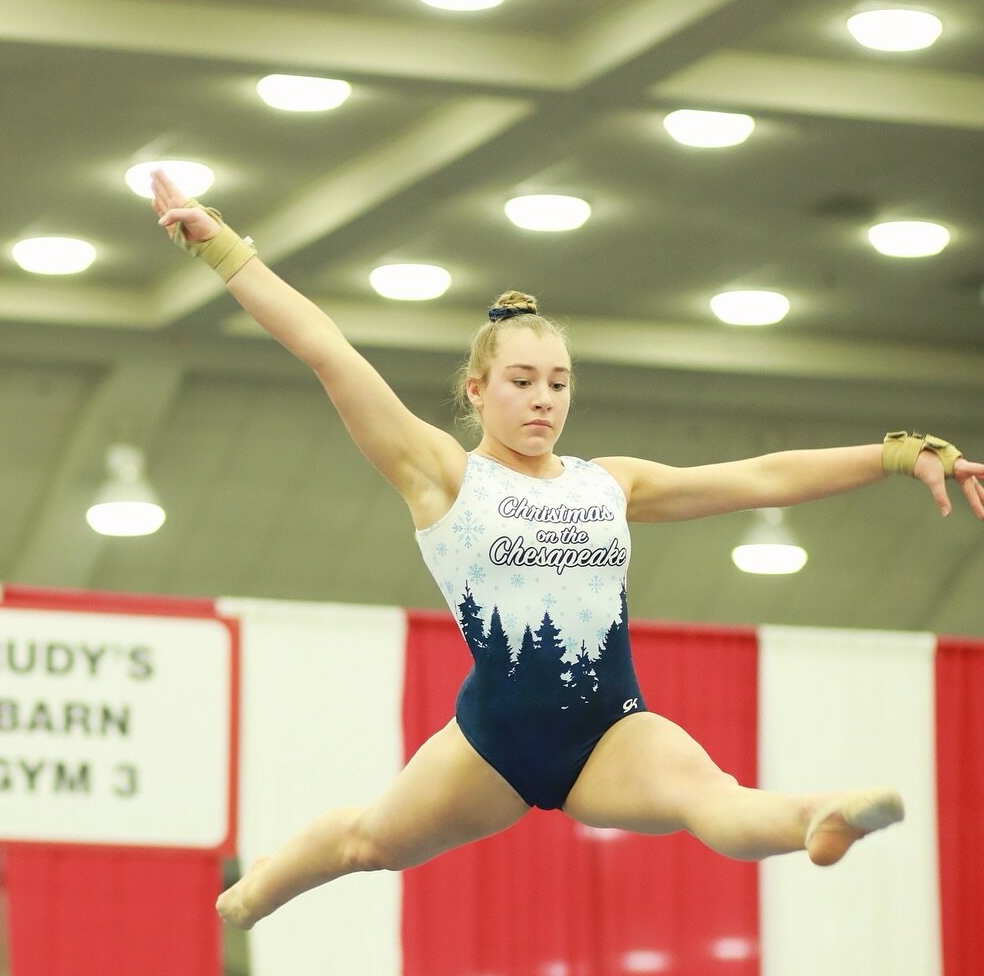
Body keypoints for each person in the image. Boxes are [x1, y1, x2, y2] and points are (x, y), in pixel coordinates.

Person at [148, 173, 984, 932]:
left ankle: (819, 816)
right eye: (521, 382)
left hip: (610, 731)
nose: (543, 399)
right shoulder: (442, 476)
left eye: (558, 382)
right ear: (477, 389)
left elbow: (759, 476)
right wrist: (222, 248)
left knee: (711, 795)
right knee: (371, 842)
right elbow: (327, 351)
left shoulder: (607, 484)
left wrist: (894, 453)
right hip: (493, 745)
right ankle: (256, 890)